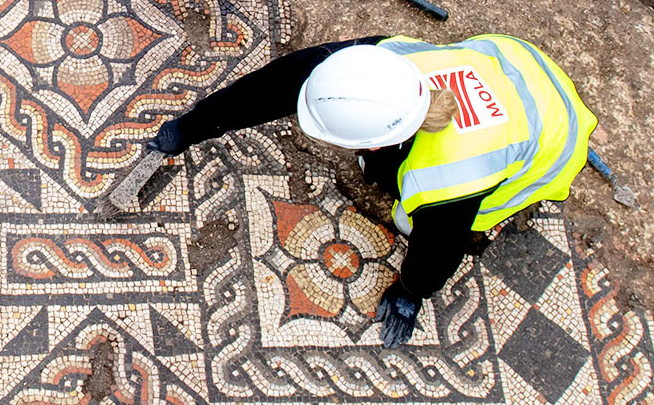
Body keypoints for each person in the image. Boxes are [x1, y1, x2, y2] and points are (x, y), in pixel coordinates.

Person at [110, 35, 597, 347]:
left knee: (412, 220)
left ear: (386, 138)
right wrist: (189, 129)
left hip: (554, 138)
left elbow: (439, 251)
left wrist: (411, 292)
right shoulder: (375, 68)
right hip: (514, 60)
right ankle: (381, 167)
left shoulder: (447, 180)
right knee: (390, 179)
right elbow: (277, 85)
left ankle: (479, 197)